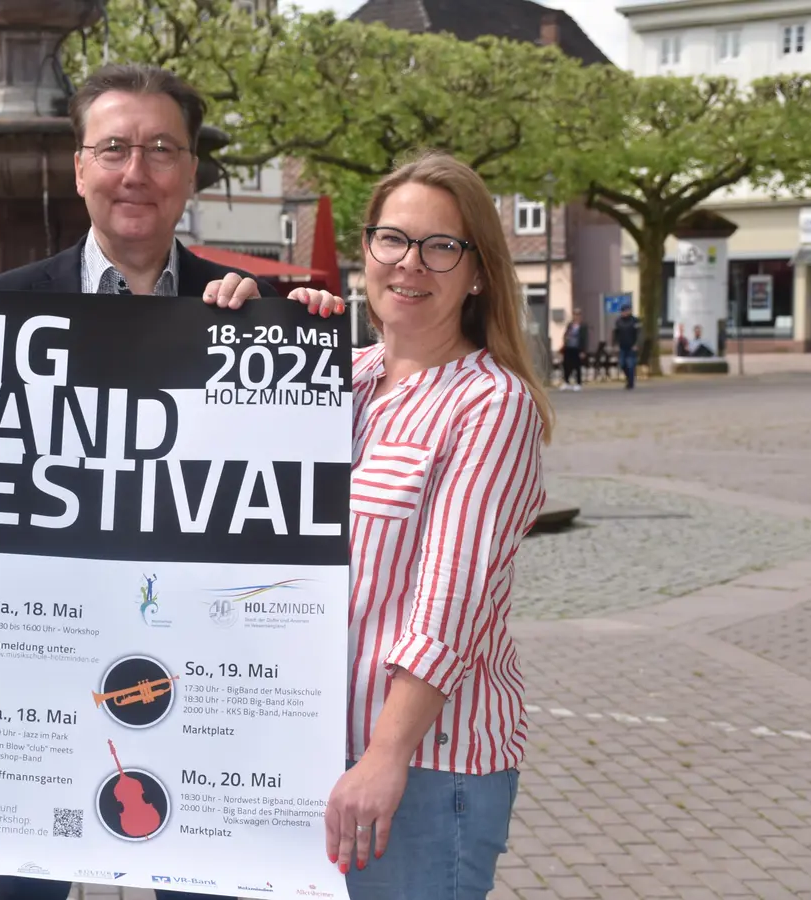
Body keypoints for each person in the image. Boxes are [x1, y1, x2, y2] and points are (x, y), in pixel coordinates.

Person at [0, 62, 343, 900]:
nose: (136, 171)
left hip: (200, 685)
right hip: (31, 677)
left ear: (192, 173)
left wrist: (307, 329)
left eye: (161, 149)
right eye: (114, 147)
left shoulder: (251, 318)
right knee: (27, 887)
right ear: (79, 167)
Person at [302, 151, 551, 900]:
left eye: (441, 246)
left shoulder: (490, 404)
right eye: (392, 240)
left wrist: (386, 755)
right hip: (313, 749)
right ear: (366, 251)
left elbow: (454, 600)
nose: (410, 264)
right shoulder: (334, 379)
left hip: (423, 766)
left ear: (477, 272)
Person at [613, 305, 640, 389]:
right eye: (623, 311)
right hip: (622, 346)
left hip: (632, 346)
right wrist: (615, 344)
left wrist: (637, 344)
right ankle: (629, 378)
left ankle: (631, 383)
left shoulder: (635, 321)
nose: (624, 313)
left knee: (631, 364)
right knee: (622, 363)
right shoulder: (618, 321)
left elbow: (639, 333)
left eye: (626, 311)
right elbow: (615, 334)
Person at [559, 308, 586, 391]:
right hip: (568, 348)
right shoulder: (570, 325)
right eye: (575, 314)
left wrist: (583, 350)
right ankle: (566, 382)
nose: (576, 316)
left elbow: (585, 339)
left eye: (578, 315)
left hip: (577, 348)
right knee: (566, 365)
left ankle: (578, 383)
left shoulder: (583, 326)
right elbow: (565, 335)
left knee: (577, 366)